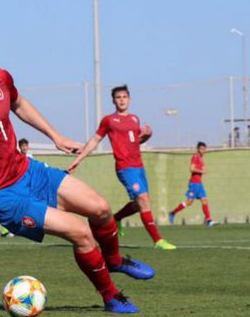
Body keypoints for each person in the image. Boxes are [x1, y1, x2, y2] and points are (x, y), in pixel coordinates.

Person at [0, 39, 154, 314]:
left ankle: (114, 260)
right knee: (81, 232)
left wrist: (55, 136)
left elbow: (19, 104)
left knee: (101, 208)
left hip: (28, 171)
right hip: (1, 195)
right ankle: (111, 296)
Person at [68, 85, 177, 250]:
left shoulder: (134, 119)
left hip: (139, 166)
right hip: (125, 167)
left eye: (124, 97)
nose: (122, 100)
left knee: (140, 204)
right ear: (113, 101)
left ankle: (116, 218)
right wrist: (79, 159)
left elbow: (135, 141)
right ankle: (158, 241)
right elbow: (95, 140)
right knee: (143, 200)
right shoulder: (109, 120)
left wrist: (147, 136)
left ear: (129, 99)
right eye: (118, 97)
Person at [168, 142, 214, 226]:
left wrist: (204, 170)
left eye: (204, 149)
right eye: (201, 148)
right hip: (194, 183)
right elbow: (191, 169)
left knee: (204, 200)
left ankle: (208, 220)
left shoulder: (201, 158)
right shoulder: (195, 157)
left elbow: (203, 169)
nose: (203, 150)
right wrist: (202, 171)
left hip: (199, 184)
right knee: (189, 202)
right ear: (198, 149)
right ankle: (172, 213)